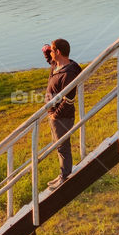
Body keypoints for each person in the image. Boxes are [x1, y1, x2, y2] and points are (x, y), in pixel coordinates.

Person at [44, 38, 82, 188]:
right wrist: (46, 52)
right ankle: (62, 174)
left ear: (58, 52)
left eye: (52, 51)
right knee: (59, 146)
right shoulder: (57, 65)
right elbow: (51, 61)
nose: (50, 54)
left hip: (62, 117)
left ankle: (65, 176)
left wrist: (55, 115)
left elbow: (69, 99)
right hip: (54, 115)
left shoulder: (69, 73)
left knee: (63, 146)